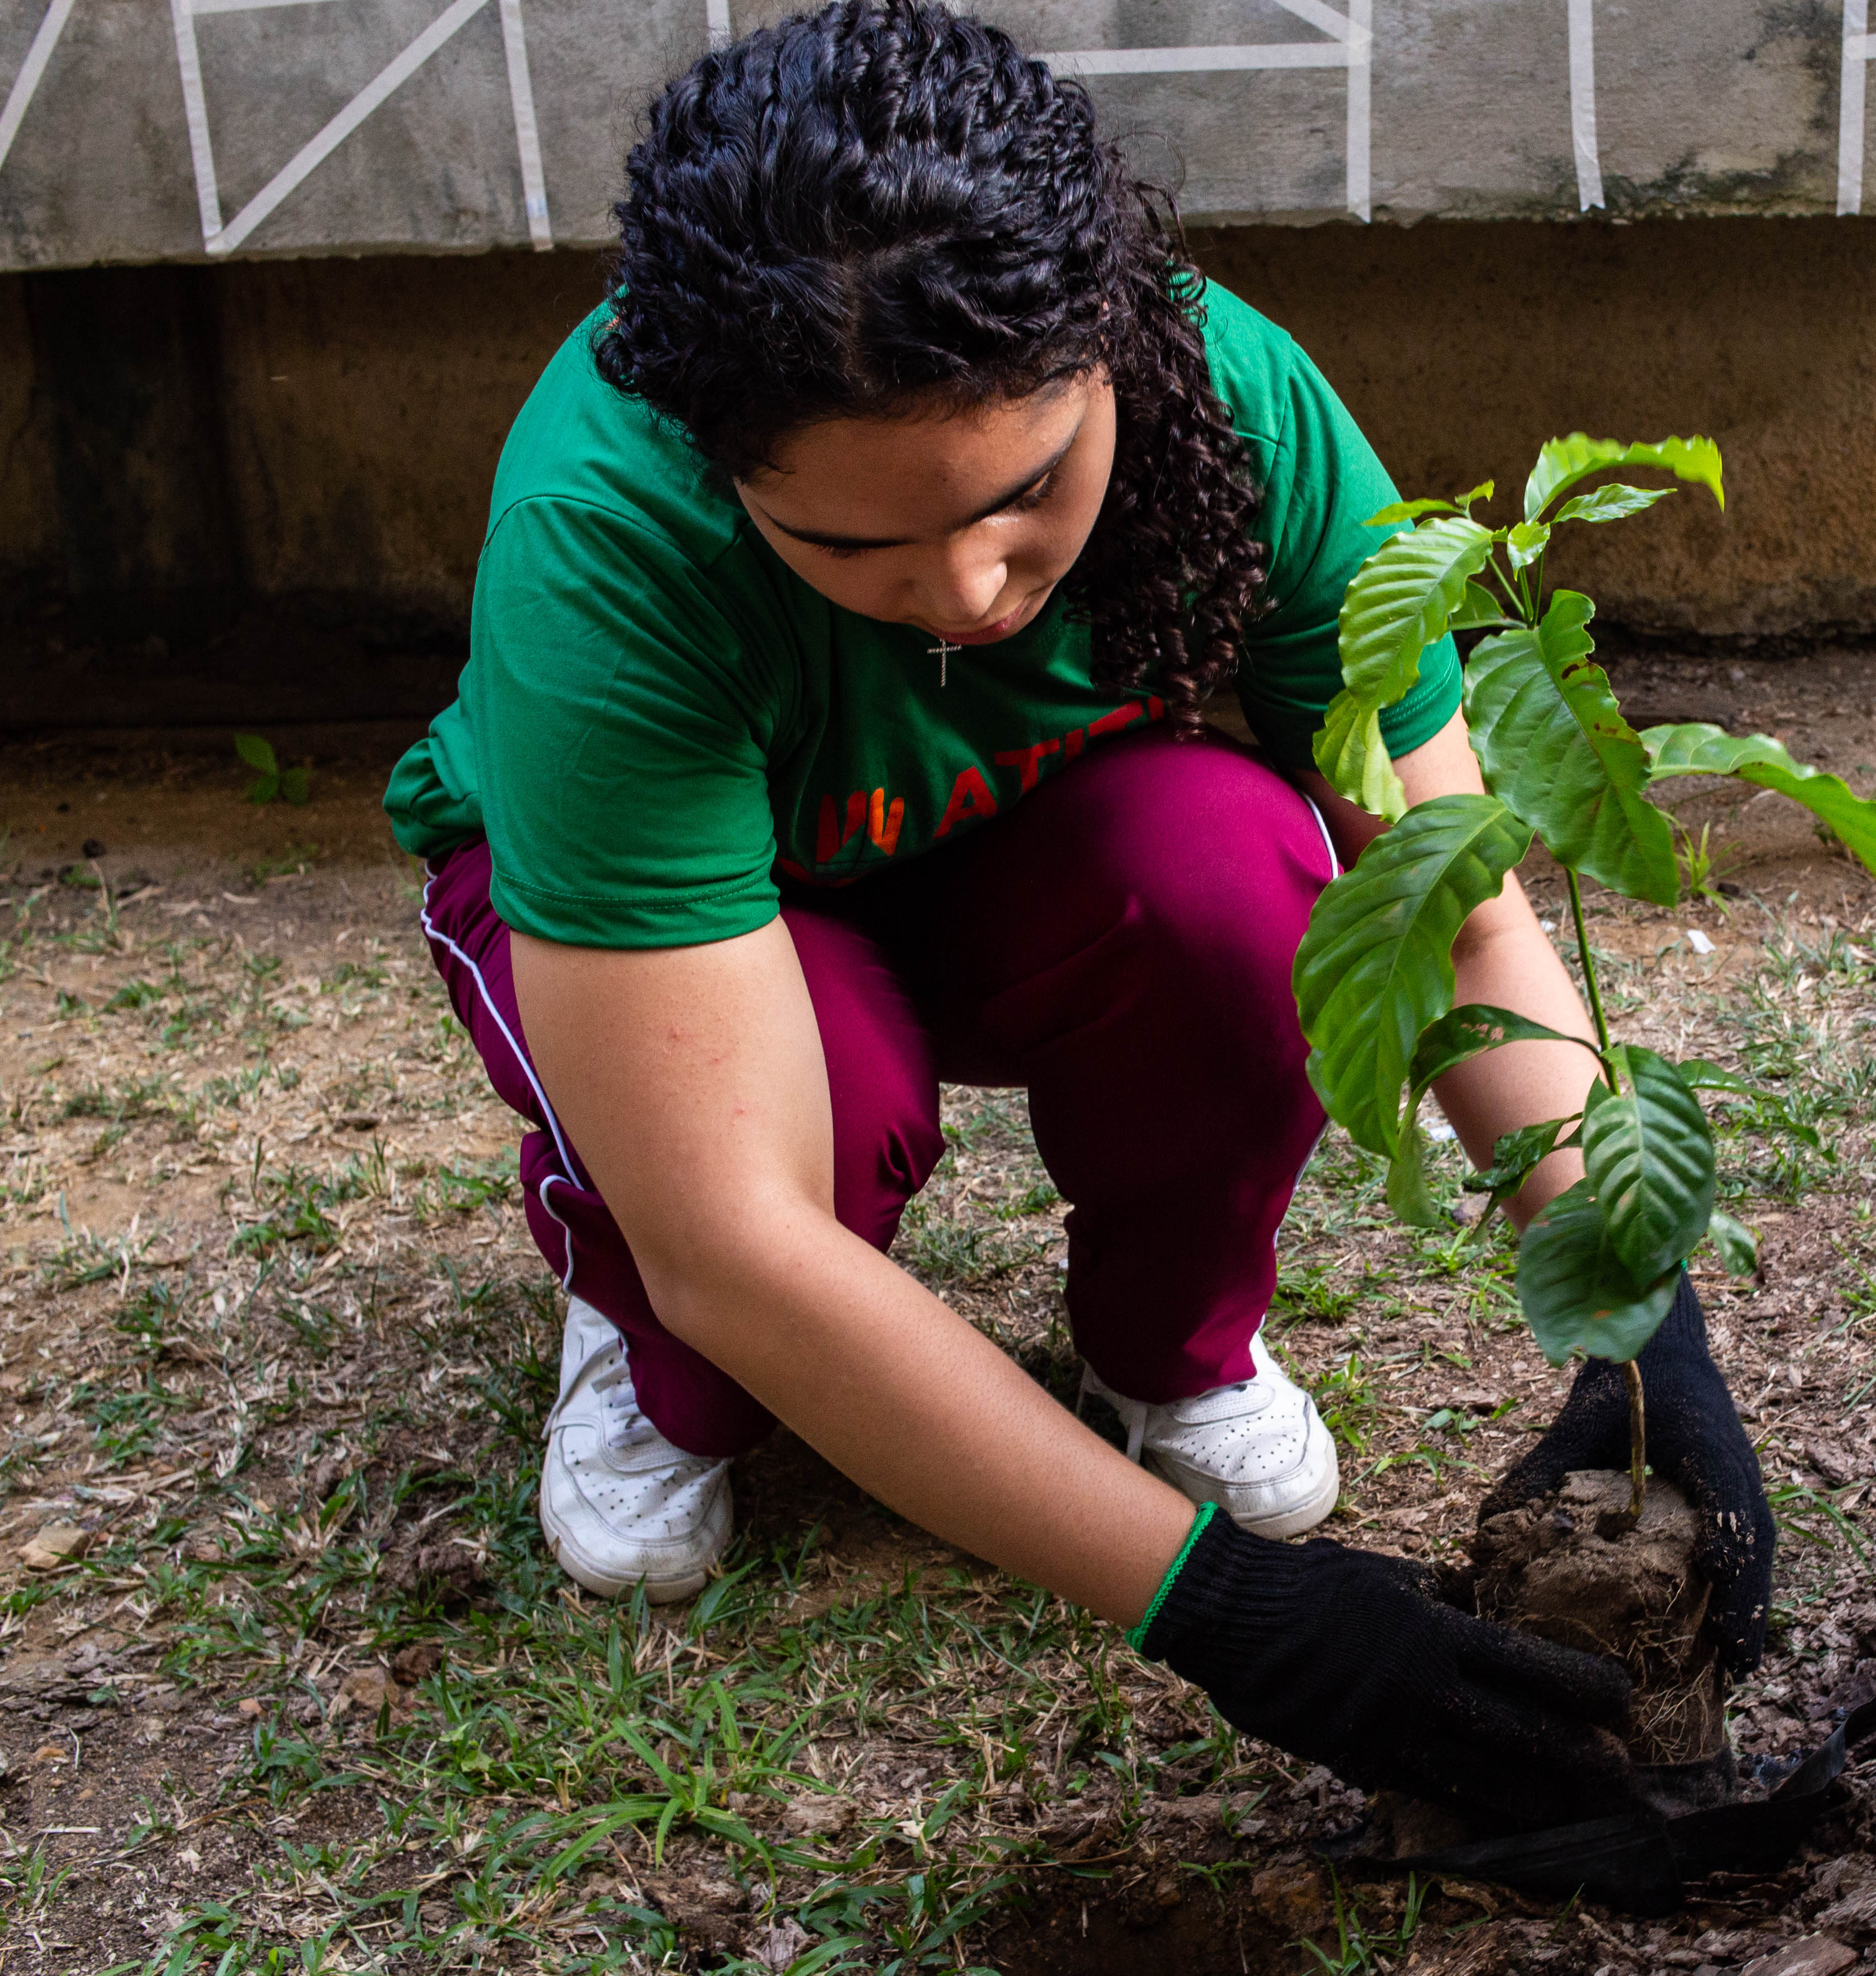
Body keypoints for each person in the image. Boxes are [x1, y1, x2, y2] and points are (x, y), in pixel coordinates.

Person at [383, 0, 1771, 1832]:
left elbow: (1460, 903)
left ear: (1110, 349)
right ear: (727, 470)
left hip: (993, 844)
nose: (967, 587)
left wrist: (1640, 1327)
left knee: (1242, 878)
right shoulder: (608, 540)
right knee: (783, 1224)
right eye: (857, 550)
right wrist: (1241, 1613)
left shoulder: (1241, 412)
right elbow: (744, 1236)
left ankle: (1165, 1349)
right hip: (701, 938)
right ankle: (618, 1301)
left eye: (1028, 492)